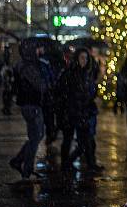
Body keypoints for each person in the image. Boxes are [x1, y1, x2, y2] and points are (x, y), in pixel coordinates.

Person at [57, 48, 102, 171]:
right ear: (77, 58)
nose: (84, 60)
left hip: (83, 111)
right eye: (82, 57)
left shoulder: (86, 73)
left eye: (86, 58)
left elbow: (89, 91)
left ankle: (88, 163)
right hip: (72, 111)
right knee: (69, 139)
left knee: (86, 140)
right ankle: (66, 163)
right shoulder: (70, 73)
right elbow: (65, 93)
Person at [9, 38, 49, 179]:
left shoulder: (26, 64)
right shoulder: (28, 66)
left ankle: (21, 162)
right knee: (35, 137)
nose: (40, 51)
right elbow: (40, 85)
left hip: (30, 104)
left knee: (36, 136)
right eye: (38, 48)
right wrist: (46, 80)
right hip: (32, 105)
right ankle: (24, 167)